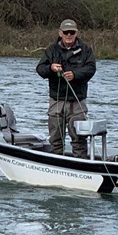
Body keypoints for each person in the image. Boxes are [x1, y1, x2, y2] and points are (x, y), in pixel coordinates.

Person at [36, 19, 96, 158]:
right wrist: (51, 68)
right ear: (60, 33)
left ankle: (81, 165)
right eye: (66, 32)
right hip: (57, 100)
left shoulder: (86, 50)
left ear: (76, 33)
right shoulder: (51, 50)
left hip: (77, 101)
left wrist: (75, 75)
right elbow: (40, 69)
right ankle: (57, 163)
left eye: (72, 32)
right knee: (56, 137)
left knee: (79, 138)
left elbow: (91, 69)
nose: (69, 35)